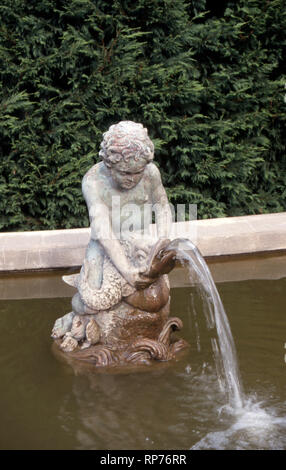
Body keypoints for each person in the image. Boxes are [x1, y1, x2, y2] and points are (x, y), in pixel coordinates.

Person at [81, 120, 172, 291]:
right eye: (124, 173)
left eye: (137, 172)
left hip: (142, 243)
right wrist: (126, 270)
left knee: (159, 294)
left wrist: (162, 242)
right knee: (93, 291)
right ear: (109, 164)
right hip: (105, 246)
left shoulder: (150, 173)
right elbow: (102, 229)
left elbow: (162, 207)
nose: (132, 179)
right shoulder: (93, 181)